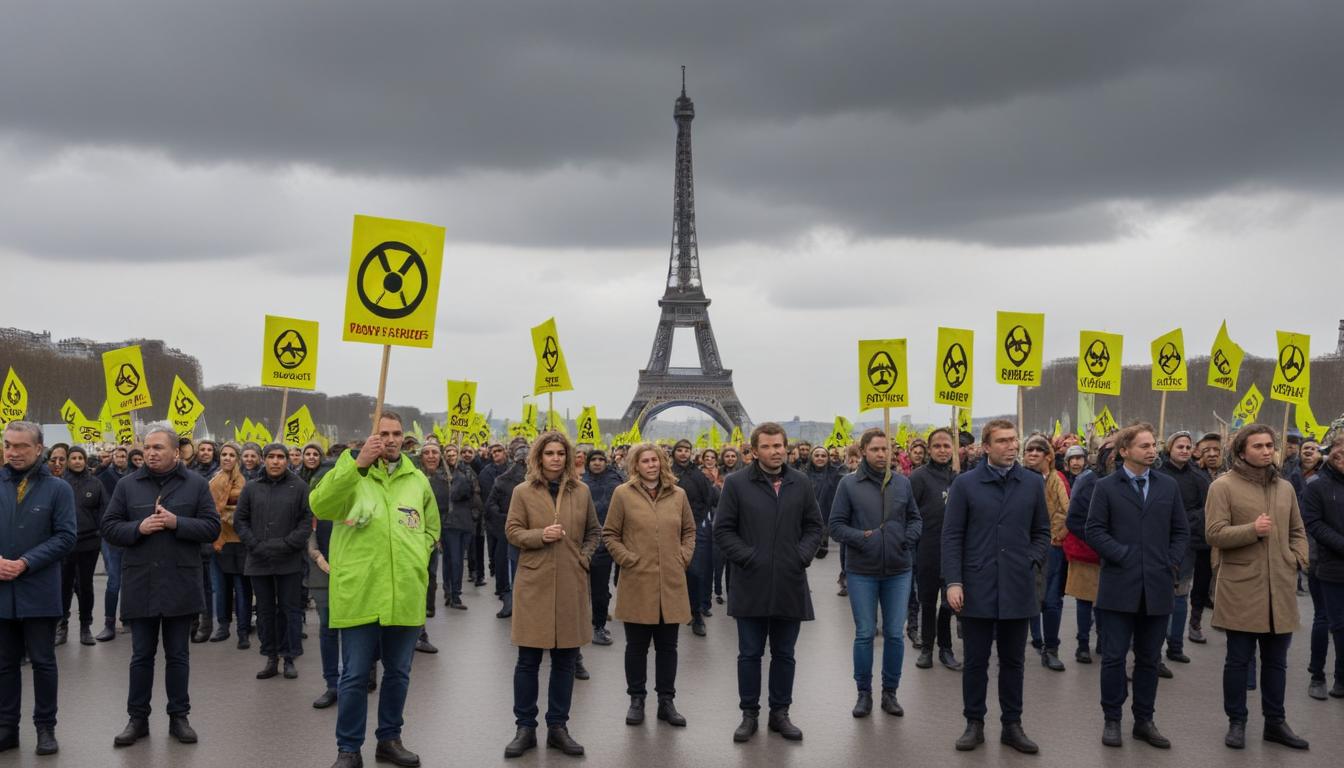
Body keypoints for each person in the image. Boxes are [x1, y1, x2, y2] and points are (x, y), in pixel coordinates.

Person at [309, 412, 439, 768]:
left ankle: (389, 740)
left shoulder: (417, 480)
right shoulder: (349, 472)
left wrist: (418, 555)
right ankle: (348, 748)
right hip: (360, 590)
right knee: (353, 674)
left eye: (397, 433)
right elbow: (320, 505)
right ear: (372, 437)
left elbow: (431, 527)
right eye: (384, 433)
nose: (392, 439)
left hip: (404, 592)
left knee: (398, 672)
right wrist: (357, 465)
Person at [100, 423, 221, 747]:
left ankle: (179, 717)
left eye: (158, 448)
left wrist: (176, 522)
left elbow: (211, 527)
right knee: (141, 655)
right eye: (148, 447)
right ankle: (137, 719)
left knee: (178, 655)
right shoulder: (128, 485)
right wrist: (139, 527)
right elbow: (110, 527)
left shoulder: (195, 484)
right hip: (141, 581)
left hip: (180, 581)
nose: (150, 453)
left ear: (174, 451)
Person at [942, 419, 1050, 754]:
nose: (1011, 446)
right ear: (986, 447)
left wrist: (1028, 559)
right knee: (975, 660)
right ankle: (973, 722)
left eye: (1013, 440)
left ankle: (1012, 725)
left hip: (1018, 586)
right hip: (977, 584)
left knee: (1014, 661)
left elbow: (1043, 532)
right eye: (1002, 441)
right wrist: (954, 582)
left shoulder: (1031, 483)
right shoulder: (966, 484)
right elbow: (952, 536)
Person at [713, 423, 824, 743]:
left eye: (779, 446)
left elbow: (814, 527)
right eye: (768, 446)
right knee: (749, 653)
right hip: (751, 581)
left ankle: (780, 713)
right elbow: (723, 531)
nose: (775, 452)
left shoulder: (799, 482)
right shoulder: (736, 484)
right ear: (755, 450)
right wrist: (750, 557)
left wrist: (799, 556)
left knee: (785, 653)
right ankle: (749, 714)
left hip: (789, 581)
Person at [1206, 424, 1310, 750]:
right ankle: (1237, 722)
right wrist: (1252, 529)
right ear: (1241, 451)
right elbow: (1214, 534)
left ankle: (1275, 722)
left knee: (1277, 662)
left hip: (1279, 586)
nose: (1267, 451)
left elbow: (1298, 530)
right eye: (1258, 446)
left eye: (1269, 445)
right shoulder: (1223, 487)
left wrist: (1296, 559)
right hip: (1241, 586)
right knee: (1238, 660)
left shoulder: (1285, 488)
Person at [1084, 423, 1189, 749]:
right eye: (1143, 445)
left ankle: (1144, 720)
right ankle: (1112, 719)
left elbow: (1181, 531)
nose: (1151, 449)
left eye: (1153, 444)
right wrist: (1123, 555)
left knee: (1148, 659)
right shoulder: (1106, 487)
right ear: (1124, 451)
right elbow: (1094, 530)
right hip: (1119, 585)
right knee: (1114, 658)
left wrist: (1169, 561)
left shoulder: (1167, 486)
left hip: (1157, 586)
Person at [502, 432, 600, 759]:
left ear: (568, 457)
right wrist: (540, 535)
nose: (556, 458)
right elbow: (512, 531)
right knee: (528, 661)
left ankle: (558, 727)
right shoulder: (522, 492)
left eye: (561, 453)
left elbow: (594, 532)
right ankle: (525, 728)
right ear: (539, 457)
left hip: (571, 583)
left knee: (565, 660)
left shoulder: (582, 492)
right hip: (535, 582)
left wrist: (584, 557)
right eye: (549, 453)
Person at [829, 428, 921, 718]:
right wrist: (864, 538)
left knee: (895, 634)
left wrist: (908, 537)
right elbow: (836, 526)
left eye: (885, 449)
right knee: (866, 633)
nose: (881, 455)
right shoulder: (848, 485)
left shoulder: (902, 484)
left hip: (898, 569)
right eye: (875, 450)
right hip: (862, 571)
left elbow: (916, 519)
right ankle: (864, 693)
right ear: (863, 451)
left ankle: (890, 692)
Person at [602, 442, 696, 728]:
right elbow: (610, 534)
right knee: (637, 646)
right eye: (645, 461)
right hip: (638, 580)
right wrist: (627, 559)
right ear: (635, 465)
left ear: (662, 463)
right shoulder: (622, 494)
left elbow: (689, 530)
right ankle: (637, 699)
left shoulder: (678, 495)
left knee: (669, 647)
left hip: (670, 580)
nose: (651, 465)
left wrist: (683, 556)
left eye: (655, 460)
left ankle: (666, 701)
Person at [0, 422, 76, 755]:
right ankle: (6, 728)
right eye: (8, 445)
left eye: (20, 446)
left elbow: (65, 536)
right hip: (2, 590)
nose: (13, 452)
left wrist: (26, 562)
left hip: (39, 589)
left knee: (44, 663)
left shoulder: (58, 489)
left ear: (39, 448)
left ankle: (46, 728)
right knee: (3, 664)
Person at [234, 442, 313, 680]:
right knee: (266, 611)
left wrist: (286, 544)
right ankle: (270, 657)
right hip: (259, 560)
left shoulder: (299, 486)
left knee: (289, 609)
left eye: (280, 457)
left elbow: (306, 521)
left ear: (287, 460)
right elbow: (240, 520)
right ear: (263, 459)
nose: (276, 461)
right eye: (271, 457)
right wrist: (255, 545)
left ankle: (289, 656)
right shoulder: (251, 488)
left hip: (289, 559)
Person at [1154, 430, 1210, 663]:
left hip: (1187, 545)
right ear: (1170, 449)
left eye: (1188, 447)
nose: (1185, 451)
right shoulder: (1156, 475)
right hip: (1158, 544)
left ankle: (1175, 646)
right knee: (1158, 598)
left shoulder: (1199, 478)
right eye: (1180, 447)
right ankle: (1153, 650)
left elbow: (1207, 508)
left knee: (1180, 595)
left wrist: (1185, 520)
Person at [910, 429, 961, 671]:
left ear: (953, 449)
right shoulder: (918, 477)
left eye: (946, 446)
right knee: (928, 601)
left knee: (951, 603)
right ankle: (927, 648)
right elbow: (909, 514)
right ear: (929, 450)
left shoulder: (959, 478)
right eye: (937, 446)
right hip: (927, 548)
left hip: (953, 551)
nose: (942, 450)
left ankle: (946, 648)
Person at [1301, 434, 1344, 700]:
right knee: (1327, 620)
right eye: (1338, 449)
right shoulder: (1316, 485)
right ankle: (1317, 675)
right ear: (1330, 453)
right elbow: (1314, 524)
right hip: (1325, 564)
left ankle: (1341, 676)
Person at [1023, 435, 1070, 671]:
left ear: (1048, 456)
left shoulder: (1055, 479)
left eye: (1037, 450)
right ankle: (1034, 639)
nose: (1032, 453)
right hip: (1024, 549)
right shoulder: (1017, 479)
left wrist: (1058, 534)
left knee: (1051, 601)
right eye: (1028, 449)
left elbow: (1069, 511)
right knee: (1028, 598)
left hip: (1052, 548)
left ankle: (1051, 649)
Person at [58, 445, 106, 647]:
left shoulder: (95, 483)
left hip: (89, 543)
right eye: (73, 458)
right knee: (63, 586)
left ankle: (86, 627)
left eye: (80, 458)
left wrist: (99, 531)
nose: (77, 461)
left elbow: (105, 511)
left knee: (86, 586)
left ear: (85, 461)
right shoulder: (59, 483)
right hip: (64, 544)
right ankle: (62, 626)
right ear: (68, 460)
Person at [207, 442, 249, 647]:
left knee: (241, 588)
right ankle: (222, 626)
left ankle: (243, 631)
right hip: (218, 540)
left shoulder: (243, 482)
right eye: (224, 454)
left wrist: (224, 514)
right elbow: (207, 507)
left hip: (239, 541)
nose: (227, 458)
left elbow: (243, 512)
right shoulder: (214, 480)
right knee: (221, 587)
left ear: (237, 458)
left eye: (232, 455)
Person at [671, 439, 713, 637]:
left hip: (692, 530)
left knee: (694, 573)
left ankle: (696, 614)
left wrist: (696, 521)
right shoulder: (666, 473)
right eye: (679, 450)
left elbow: (710, 499)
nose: (683, 453)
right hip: (668, 530)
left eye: (686, 450)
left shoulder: (699, 475)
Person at [582, 450, 622, 646]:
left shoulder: (616, 482)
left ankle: (598, 626)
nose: (597, 463)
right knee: (579, 589)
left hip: (608, 540)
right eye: (593, 460)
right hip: (585, 541)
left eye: (601, 460)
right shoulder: (580, 483)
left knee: (600, 588)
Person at [94, 445, 131, 642]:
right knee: (114, 581)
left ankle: (128, 618)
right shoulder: (103, 478)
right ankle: (109, 623)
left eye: (124, 455)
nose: (121, 458)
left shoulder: (135, 477)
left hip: (132, 534)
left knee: (131, 580)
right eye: (118, 455)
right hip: (111, 535)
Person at [804, 446, 840, 560]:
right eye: (817, 455)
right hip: (807, 518)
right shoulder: (802, 475)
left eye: (823, 456)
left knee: (822, 552)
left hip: (828, 515)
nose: (820, 458)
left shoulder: (836, 474)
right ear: (811, 457)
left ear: (828, 458)